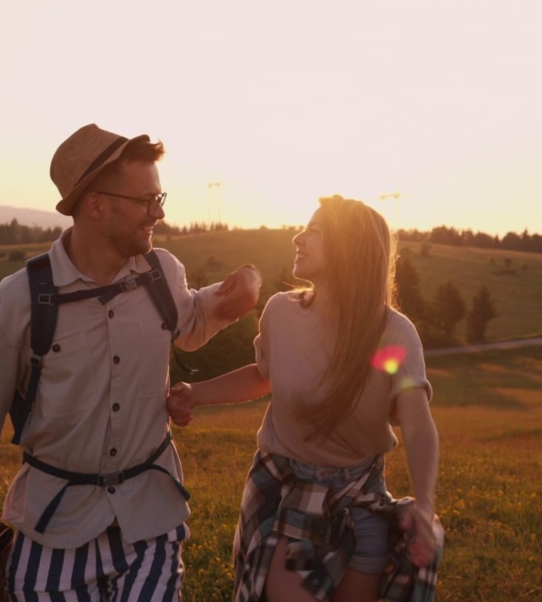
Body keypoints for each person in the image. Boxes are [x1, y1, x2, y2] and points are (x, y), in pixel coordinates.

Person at [0, 123, 262, 601]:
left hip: (150, 518)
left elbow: (188, 323)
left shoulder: (164, 272)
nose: (157, 213)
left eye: (160, 199)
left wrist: (234, 297)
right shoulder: (21, 298)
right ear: (97, 204)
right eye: (147, 201)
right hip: (54, 526)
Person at [168, 195, 442, 602]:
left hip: (361, 498)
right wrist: (196, 393)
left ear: (349, 248)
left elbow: (417, 423)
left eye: (315, 230)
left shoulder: (392, 335)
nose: (298, 237)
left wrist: (424, 505)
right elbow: (264, 377)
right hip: (292, 492)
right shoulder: (281, 313)